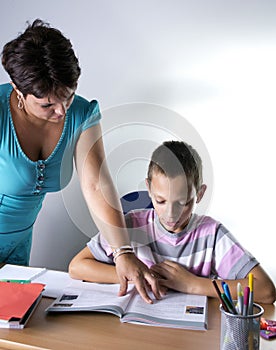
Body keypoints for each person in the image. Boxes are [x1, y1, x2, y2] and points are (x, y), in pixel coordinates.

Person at [0, 19, 161, 304]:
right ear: (17, 89)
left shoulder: (82, 114)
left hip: (19, 246)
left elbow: (96, 184)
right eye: (47, 105)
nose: (62, 111)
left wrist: (122, 251)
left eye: (69, 96)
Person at [69, 140, 276, 304]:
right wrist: (135, 275)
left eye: (183, 203)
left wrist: (192, 284)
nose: (171, 214)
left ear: (200, 194)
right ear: (149, 188)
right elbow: (77, 267)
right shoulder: (131, 225)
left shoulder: (211, 234)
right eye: (160, 201)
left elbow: (266, 291)